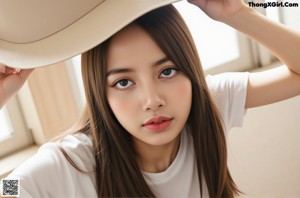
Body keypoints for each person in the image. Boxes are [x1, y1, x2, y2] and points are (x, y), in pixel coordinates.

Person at [2, 0, 300, 197]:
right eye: (123, 82)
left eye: (168, 71)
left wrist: (237, 14)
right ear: (99, 93)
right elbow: (8, 189)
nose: (152, 100)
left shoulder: (210, 104)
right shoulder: (70, 163)